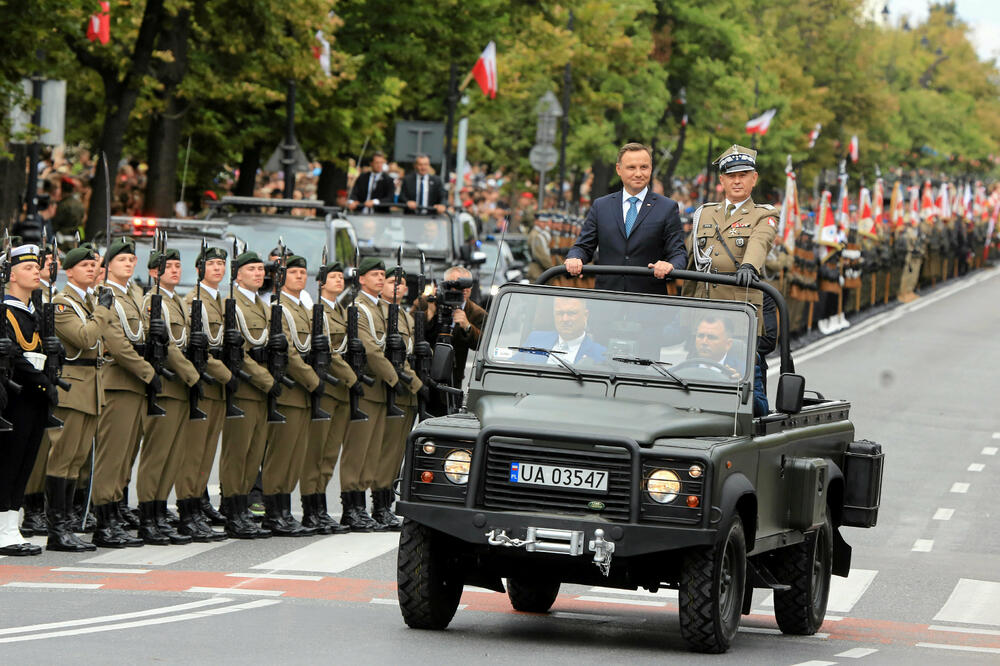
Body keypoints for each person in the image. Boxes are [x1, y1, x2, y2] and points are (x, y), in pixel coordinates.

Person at [687, 144, 777, 416]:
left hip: (739, 320)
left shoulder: (763, 214)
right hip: (703, 316)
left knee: (745, 397)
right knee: (691, 389)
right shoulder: (704, 213)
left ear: (754, 179)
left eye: (743, 175)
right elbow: (690, 259)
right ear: (722, 180)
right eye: (731, 176)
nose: (737, 181)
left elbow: (760, 241)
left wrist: (749, 265)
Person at [44, 246, 116, 552]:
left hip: (91, 388)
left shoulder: (88, 302)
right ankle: (56, 530)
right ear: (69, 271)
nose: (91, 269)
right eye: (84, 265)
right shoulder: (62, 303)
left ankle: (67, 524)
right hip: (73, 390)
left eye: (93, 265)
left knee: (76, 460)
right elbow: (85, 338)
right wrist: (103, 311)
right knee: (63, 457)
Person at [91, 238, 152, 549]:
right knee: (112, 456)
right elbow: (116, 343)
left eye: (131, 259)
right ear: (107, 266)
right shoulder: (105, 295)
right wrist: (149, 373)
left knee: (126, 455)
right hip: (117, 381)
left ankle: (114, 514)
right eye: (121, 260)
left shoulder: (134, 294)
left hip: (135, 384)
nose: (128, 264)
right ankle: (104, 521)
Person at [138, 248, 200, 545]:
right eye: (168, 266)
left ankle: (160, 513)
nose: (175, 270)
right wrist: (192, 375)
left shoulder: (178, 302)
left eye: (177, 265)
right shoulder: (152, 302)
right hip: (166, 385)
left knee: (173, 455)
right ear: (153, 273)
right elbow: (168, 347)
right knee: (157, 455)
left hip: (180, 387)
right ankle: (147, 516)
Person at [565, 142, 686, 294]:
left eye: (644, 167)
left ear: (651, 169)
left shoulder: (667, 207)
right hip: (607, 297)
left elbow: (678, 253)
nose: (638, 173)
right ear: (619, 169)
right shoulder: (601, 206)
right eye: (631, 167)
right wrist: (575, 258)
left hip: (648, 300)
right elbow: (583, 246)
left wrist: (669, 265)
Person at [0, 243, 55, 556]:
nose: (36, 271)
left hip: (35, 397)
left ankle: (11, 526)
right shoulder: (5, 311)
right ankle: (2, 530)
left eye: (37, 267)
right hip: (15, 396)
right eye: (28, 268)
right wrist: (41, 381)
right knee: (8, 463)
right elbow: (15, 354)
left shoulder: (34, 311)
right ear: (11, 275)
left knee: (25, 463)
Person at [176, 246, 232, 542]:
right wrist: (228, 375)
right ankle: (188, 512)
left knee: (207, 453)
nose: (218, 268)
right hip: (205, 384)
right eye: (212, 264)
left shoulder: (220, 300)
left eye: (221, 264)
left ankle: (197, 507)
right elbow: (197, 349)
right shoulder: (193, 301)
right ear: (200, 270)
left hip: (217, 388)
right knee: (194, 454)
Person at [262, 254, 320, 537]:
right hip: (289, 390)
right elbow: (289, 352)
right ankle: (273, 512)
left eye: (303, 272)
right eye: (294, 272)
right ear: (281, 277)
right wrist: (313, 380)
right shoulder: (278, 308)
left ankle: (285, 511)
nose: (299, 276)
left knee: (295, 456)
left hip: (304, 393)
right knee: (281, 455)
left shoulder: (303, 308)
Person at [218, 251, 274, 539]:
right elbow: (236, 352)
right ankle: (232, 509)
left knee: (254, 455)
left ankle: (242, 509)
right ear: (237, 275)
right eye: (251, 269)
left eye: (261, 269)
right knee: (237, 454)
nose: (258, 273)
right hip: (244, 388)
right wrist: (266, 379)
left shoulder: (264, 306)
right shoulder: (232, 304)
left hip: (263, 391)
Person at [339, 257, 397, 532]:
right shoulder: (358, 308)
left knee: (372, 452)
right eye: (375, 274)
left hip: (380, 389)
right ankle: (351, 508)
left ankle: (362, 508)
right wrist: (395, 378)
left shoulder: (381, 308)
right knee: (357, 451)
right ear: (361, 279)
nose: (380, 279)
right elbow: (370, 349)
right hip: (367, 387)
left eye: (382, 275)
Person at [363, 266, 422, 530]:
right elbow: (386, 354)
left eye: (402, 283)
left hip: (406, 392)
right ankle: (379, 505)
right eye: (391, 282)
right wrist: (413, 382)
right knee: (385, 452)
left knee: (396, 453)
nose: (397, 286)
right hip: (392, 388)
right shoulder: (380, 314)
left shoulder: (405, 315)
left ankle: (384, 505)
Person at [300, 261, 355, 535]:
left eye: (340, 277)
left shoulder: (342, 311)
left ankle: (321, 508)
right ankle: (310, 509)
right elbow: (329, 352)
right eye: (333, 277)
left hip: (341, 391)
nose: (338, 281)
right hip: (328, 389)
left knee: (330, 454)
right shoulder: (317, 312)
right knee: (316, 453)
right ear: (321, 283)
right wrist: (352, 378)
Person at [418, 265, 486, 390]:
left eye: (467, 285)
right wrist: (429, 313)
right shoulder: (426, 302)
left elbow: (483, 344)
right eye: (457, 284)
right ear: (445, 285)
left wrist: (467, 326)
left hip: (453, 376)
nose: (463, 289)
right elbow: (412, 331)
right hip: (423, 371)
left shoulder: (477, 313)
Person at [519, 297, 606, 364]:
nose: (565, 319)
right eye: (560, 313)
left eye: (571, 313)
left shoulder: (601, 355)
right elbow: (514, 366)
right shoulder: (535, 339)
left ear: (585, 315)